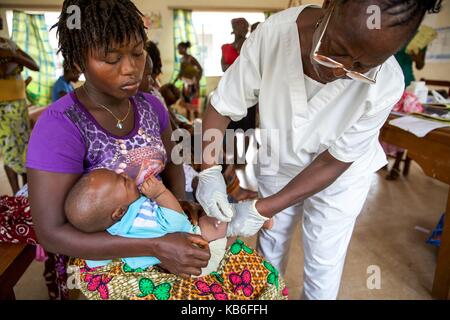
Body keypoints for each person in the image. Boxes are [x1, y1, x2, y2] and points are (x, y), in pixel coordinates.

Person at [27, 0, 286, 301]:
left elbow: (173, 165)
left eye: (138, 53)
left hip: (163, 231)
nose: (131, 69)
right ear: (78, 61)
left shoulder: (150, 106)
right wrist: (154, 245)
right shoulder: (60, 125)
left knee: (255, 282)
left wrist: (178, 216)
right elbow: (51, 234)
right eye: (111, 59)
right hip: (109, 258)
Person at [197, 0, 442, 300]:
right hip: (279, 160)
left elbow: (332, 163)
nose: (342, 71)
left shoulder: (387, 82)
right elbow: (222, 105)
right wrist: (208, 171)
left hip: (340, 177)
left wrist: (262, 208)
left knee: (323, 262)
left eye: (363, 67)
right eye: (336, 48)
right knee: (271, 245)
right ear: (330, 5)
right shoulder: (274, 35)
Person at [65, 169, 227, 277]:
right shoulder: (142, 215)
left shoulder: (110, 231)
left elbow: (94, 261)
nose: (125, 174)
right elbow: (178, 223)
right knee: (218, 224)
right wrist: (160, 194)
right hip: (194, 258)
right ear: (120, 212)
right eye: (123, 181)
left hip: (159, 269)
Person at [0, 36, 39, 195]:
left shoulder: (9, 43)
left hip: (19, 104)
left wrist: (13, 56)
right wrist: (14, 62)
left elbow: (35, 65)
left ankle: (25, 192)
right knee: (10, 151)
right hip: (2, 107)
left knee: (25, 149)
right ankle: (16, 194)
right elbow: (4, 71)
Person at [175, 41, 203, 119]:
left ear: (184, 48)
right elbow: (181, 72)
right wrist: (175, 81)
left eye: (179, 48)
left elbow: (200, 69)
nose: (178, 50)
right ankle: (189, 125)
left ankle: (197, 126)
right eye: (178, 49)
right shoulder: (181, 60)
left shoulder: (191, 58)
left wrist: (197, 80)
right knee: (187, 107)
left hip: (193, 86)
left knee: (194, 107)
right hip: (186, 86)